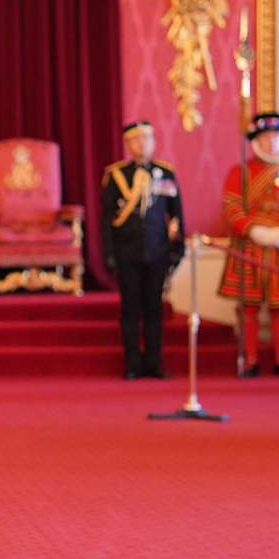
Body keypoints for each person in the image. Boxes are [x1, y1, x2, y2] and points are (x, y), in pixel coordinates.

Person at [217, 112, 279, 376]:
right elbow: (231, 207)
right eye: (265, 136)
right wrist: (252, 230)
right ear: (256, 140)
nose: (271, 142)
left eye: (276, 136)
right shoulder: (240, 171)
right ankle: (250, 358)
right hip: (248, 246)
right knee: (248, 305)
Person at [100, 120, 184, 379]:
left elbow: (177, 215)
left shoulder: (166, 173)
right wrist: (109, 254)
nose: (142, 143)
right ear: (128, 144)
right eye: (136, 139)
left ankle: (155, 362)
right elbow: (106, 219)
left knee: (154, 310)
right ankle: (132, 363)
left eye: (147, 138)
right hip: (127, 252)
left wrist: (176, 249)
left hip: (157, 251)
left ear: (154, 142)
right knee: (130, 309)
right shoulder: (115, 175)